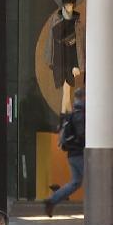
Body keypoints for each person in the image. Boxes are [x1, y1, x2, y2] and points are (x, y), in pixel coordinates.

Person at [45, 88, 86, 218]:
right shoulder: (81, 114)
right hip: (79, 153)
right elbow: (82, 134)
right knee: (92, 181)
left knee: (75, 182)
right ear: (85, 97)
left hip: (72, 154)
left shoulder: (73, 113)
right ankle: (101, 212)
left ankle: (52, 200)